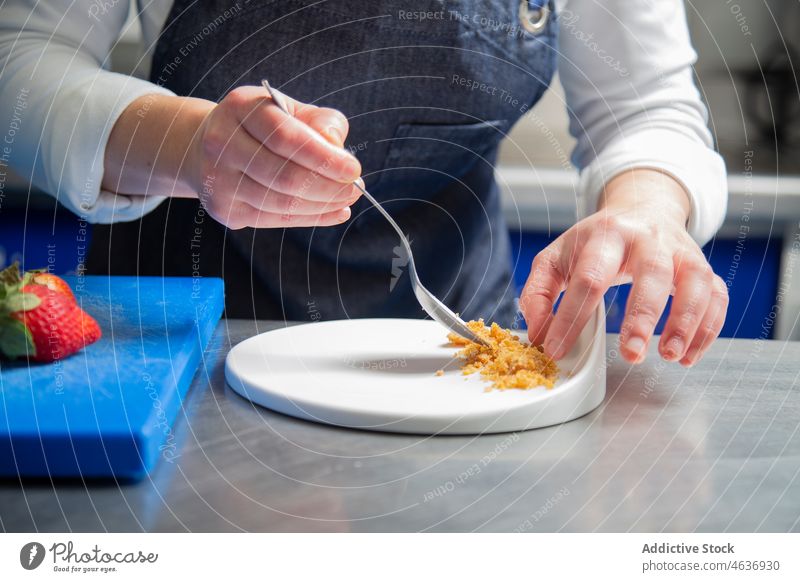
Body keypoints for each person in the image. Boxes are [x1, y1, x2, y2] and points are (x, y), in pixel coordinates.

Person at [0, 0, 729, 366]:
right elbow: (19, 60)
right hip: (173, 351)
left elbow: (647, 107)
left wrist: (647, 207)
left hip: (460, 345)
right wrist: (187, 144)